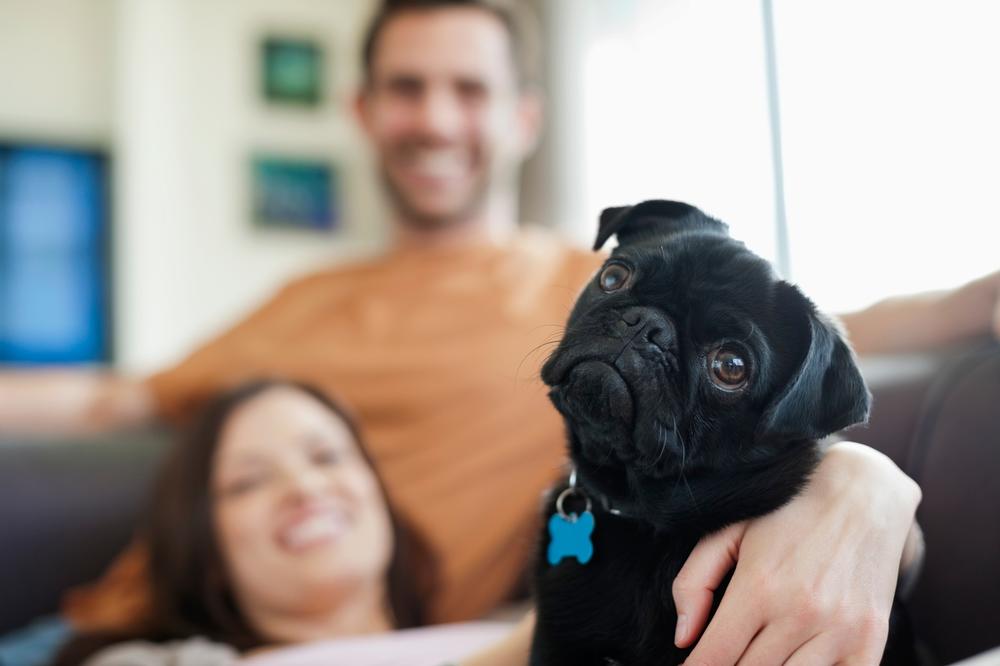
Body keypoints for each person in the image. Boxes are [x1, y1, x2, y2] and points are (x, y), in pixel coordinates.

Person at [0, 0, 997, 663]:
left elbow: (835, 332)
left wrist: (876, 454)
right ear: (362, 111)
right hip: (98, 632)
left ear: (522, 117)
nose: (436, 119)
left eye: (468, 89)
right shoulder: (302, 300)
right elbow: (105, 396)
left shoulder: (588, 288)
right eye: (406, 88)